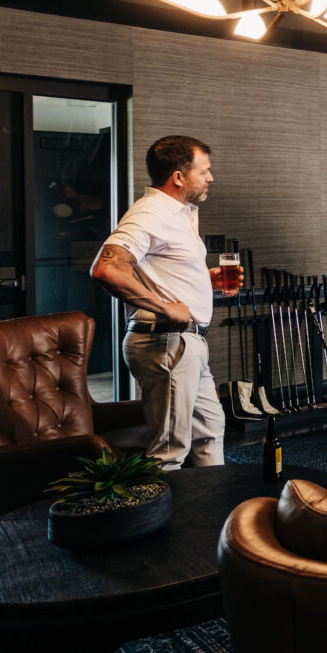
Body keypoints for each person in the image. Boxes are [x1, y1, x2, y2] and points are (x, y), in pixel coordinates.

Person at [90, 135, 229, 469]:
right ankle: (163, 521)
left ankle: (208, 516)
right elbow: (105, 268)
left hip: (186, 342)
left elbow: (160, 270)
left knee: (209, 431)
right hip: (165, 340)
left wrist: (203, 280)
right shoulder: (150, 212)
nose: (210, 177)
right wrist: (166, 307)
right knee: (169, 452)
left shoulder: (180, 214)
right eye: (204, 171)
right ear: (178, 177)